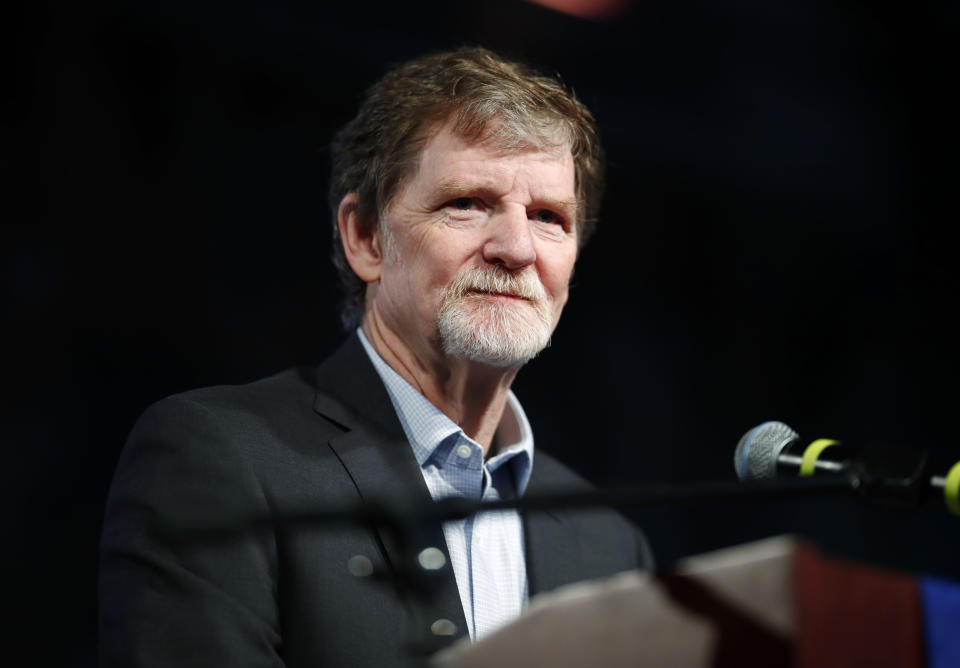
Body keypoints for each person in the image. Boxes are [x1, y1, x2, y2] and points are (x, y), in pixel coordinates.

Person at [99, 47, 653, 667]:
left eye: (549, 217)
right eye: (466, 203)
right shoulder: (222, 461)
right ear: (365, 238)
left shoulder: (609, 546)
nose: (517, 248)